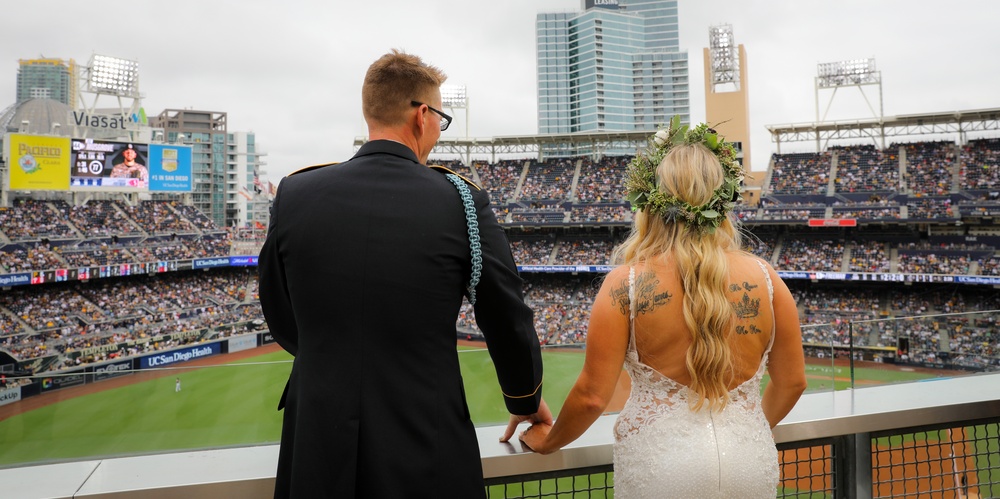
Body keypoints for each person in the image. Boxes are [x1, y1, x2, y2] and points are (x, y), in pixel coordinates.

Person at [258, 49, 550, 499]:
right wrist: (525, 400)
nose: (437, 128)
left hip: (316, 439)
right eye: (440, 118)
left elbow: (279, 314)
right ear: (421, 115)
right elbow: (506, 315)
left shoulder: (296, 191)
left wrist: (333, 354)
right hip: (424, 438)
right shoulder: (461, 200)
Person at [511, 119, 807, 498]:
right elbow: (793, 382)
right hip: (749, 462)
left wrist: (549, 441)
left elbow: (591, 397)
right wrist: (744, 427)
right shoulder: (766, 279)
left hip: (662, 467)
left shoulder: (627, 284)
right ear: (723, 200)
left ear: (649, 203)